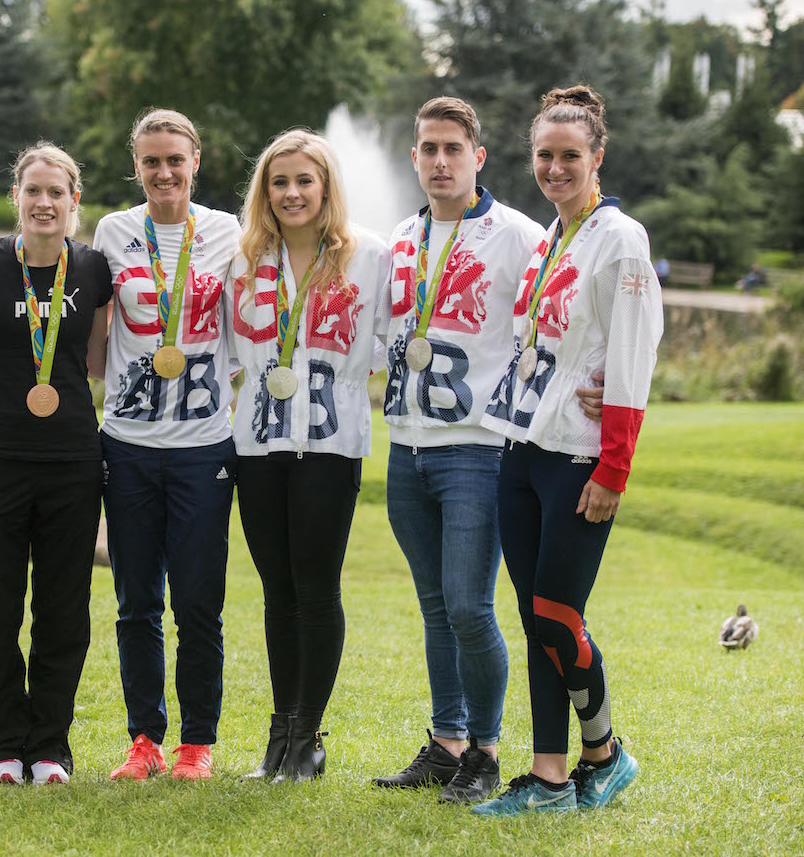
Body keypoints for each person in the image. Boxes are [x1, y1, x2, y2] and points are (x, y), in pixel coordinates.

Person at [473, 85, 662, 816]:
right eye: (545, 156)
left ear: (597, 157)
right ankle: (551, 778)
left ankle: (606, 752)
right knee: (536, 621)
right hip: (522, 444)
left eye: (570, 156)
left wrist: (614, 465)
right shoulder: (555, 237)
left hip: (581, 455)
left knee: (557, 614)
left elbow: (637, 350)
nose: (555, 168)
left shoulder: (621, 238)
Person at [370, 97, 543, 803]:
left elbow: (565, 312)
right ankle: (446, 743)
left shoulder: (520, 236)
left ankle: (486, 751)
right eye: (428, 149)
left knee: (471, 606)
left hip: (476, 448)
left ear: (478, 155)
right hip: (407, 445)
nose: (440, 161)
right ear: (414, 158)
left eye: (453, 148)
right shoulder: (402, 238)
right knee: (436, 604)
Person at [0, 143, 112, 785]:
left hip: (72, 456)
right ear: (17, 196)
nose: (44, 203)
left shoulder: (93, 269)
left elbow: (94, 362)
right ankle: (1, 749)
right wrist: (17, 366)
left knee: (64, 608)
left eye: (57, 193)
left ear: (74, 201)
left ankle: (50, 747)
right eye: (33, 192)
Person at [226, 129, 390, 782]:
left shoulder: (368, 255)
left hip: (330, 441)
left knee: (316, 587)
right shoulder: (242, 260)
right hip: (257, 441)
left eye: (304, 180)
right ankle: (280, 733)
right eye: (279, 181)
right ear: (264, 192)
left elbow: (394, 338)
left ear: (326, 188)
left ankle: (308, 738)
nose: (292, 193)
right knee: (277, 591)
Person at [93, 108, 241, 780]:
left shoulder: (227, 232)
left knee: (198, 601)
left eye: (174, 160)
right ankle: (145, 739)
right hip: (126, 442)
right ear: (137, 166)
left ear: (196, 162)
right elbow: (98, 335)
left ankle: (197, 743)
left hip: (205, 444)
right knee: (135, 602)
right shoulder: (114, 231)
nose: (163, 173)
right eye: (151, 161)